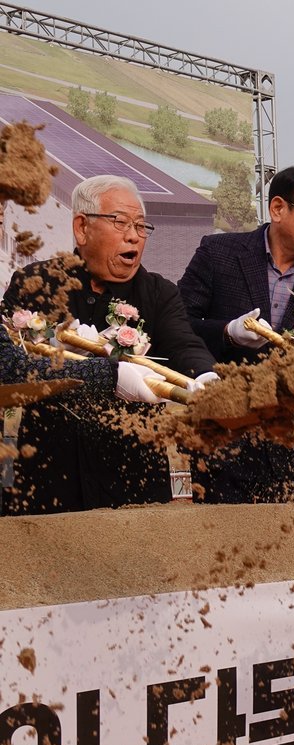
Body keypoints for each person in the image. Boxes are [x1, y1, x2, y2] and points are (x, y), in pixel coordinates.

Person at [3, 175, 213, 514]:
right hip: (50, 472)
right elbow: (10, 364)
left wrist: (206, 377)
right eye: (120, 222)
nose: (134, 236)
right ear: (82, 228)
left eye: (141, 226)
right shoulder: (36, 283)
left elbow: (185, 344)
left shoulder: (158, 293)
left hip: (133, 477)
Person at [178, 165, 294, 503]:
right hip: (225, 437)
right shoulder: (219, 253)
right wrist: (227, 333)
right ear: (278, 208)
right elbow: (178, 324)